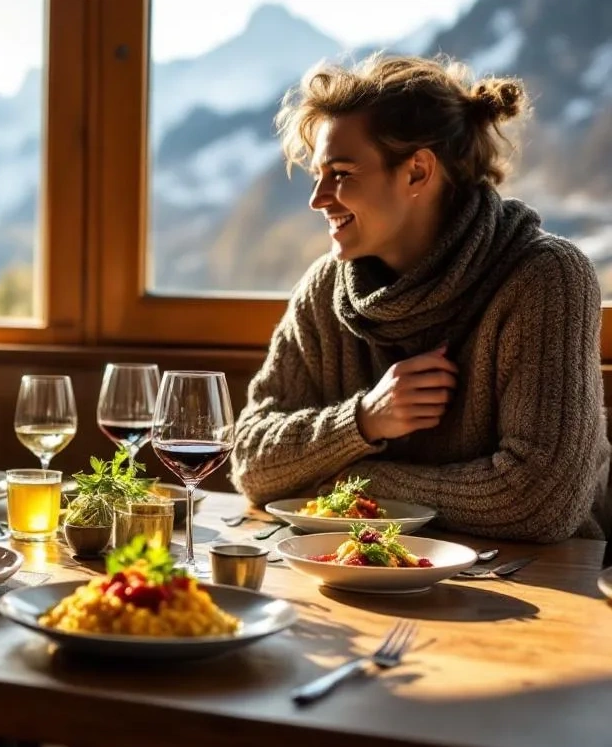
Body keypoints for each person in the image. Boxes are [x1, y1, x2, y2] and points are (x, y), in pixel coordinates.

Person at [230, 53, 610, 543]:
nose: (317, 198)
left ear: (417, 172)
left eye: (341, 173)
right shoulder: (324, 289)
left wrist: (357, 483)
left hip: (537, 582)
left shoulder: (544, 276)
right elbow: (251, 462)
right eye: (318, 175)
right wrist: (363, 420)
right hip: (361, 571)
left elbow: (541, 501)